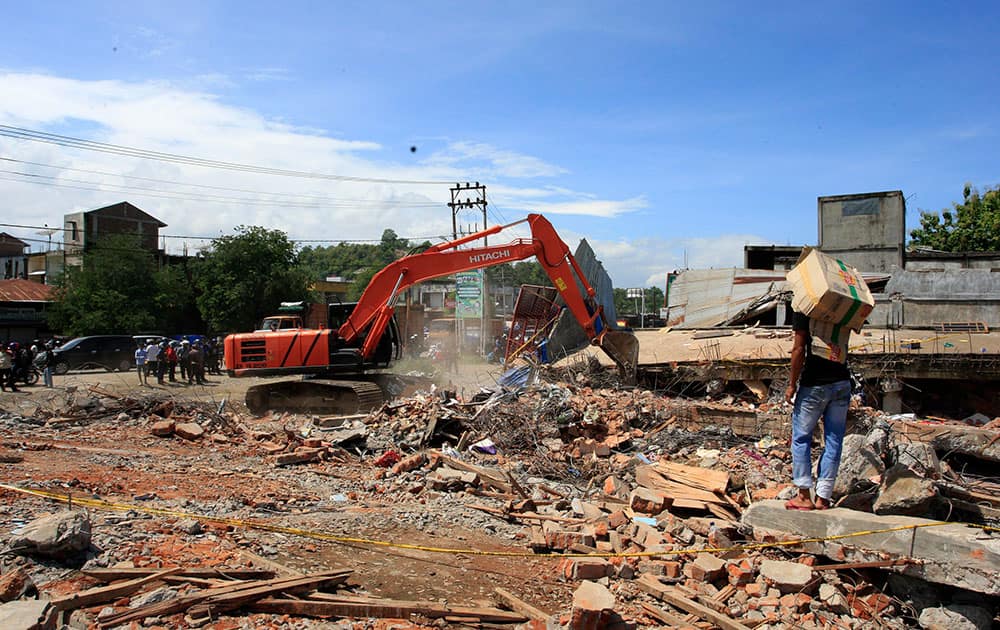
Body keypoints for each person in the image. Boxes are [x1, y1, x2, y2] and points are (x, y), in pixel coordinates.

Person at [784, 310, 853, 511]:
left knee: (801, 438)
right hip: (841, 383)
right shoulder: (838, 306)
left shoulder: (804, 309)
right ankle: (823, 497)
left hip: (813, 386)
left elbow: (798, 349)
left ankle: (804, 495)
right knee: (834, 439)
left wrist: (791, 384)